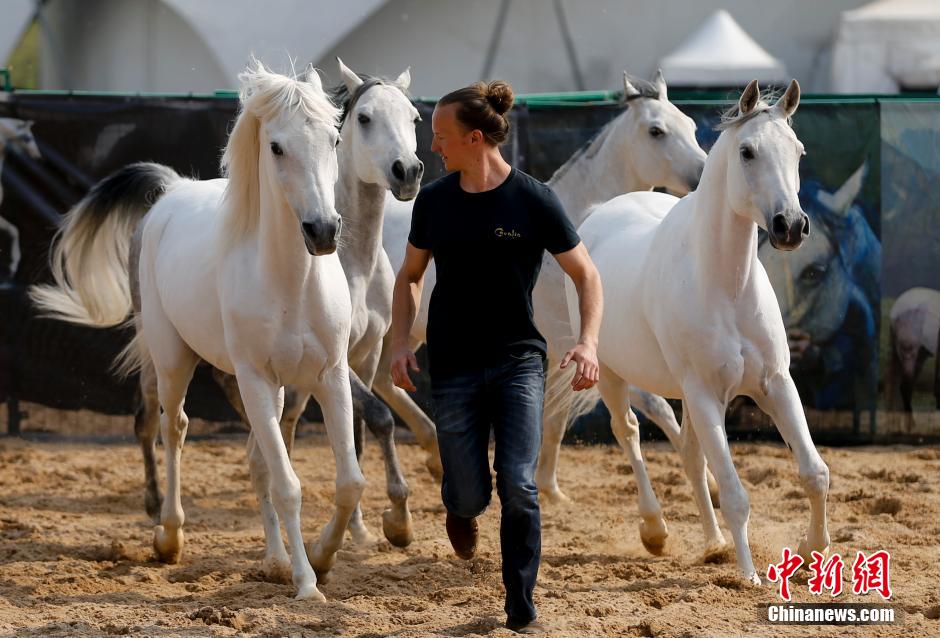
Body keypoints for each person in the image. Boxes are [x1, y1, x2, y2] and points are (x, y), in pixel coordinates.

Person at [389, 79, 602, 635]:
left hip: (517, 363)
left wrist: (588, 342)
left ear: (475, 137)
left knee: (519, 484)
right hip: (453, 364)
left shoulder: (533, 199)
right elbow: (411, 277)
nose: (432, 146)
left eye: (440, 136)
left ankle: (520, 606)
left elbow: (586, 275)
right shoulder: (434, 203)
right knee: (468, 490)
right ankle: (459, 509)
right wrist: (398, 340)